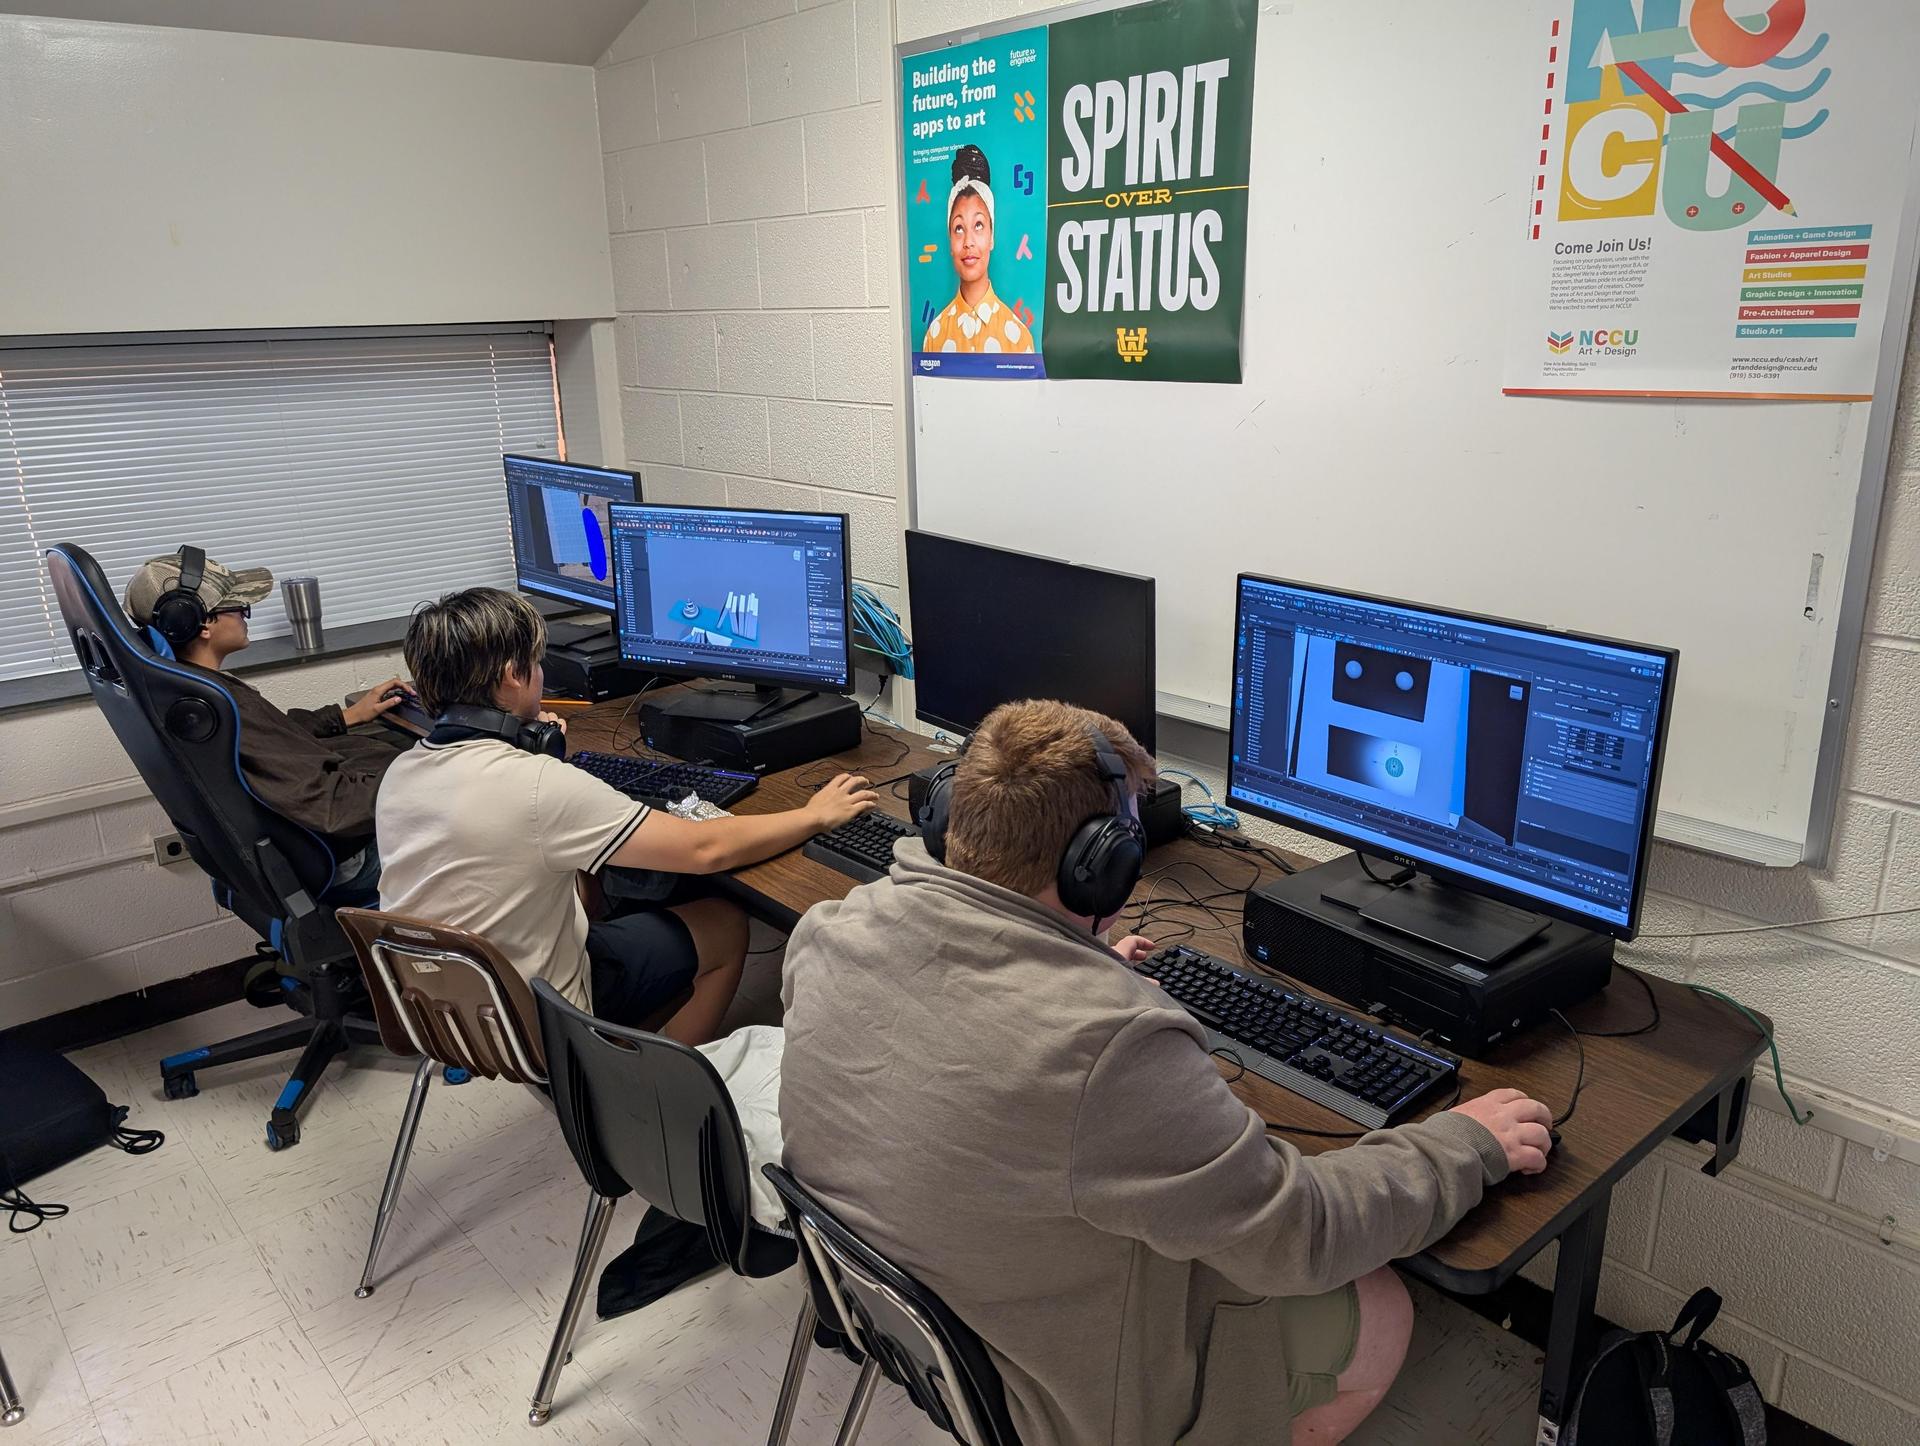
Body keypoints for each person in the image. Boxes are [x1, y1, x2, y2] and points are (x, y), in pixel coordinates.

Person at [778, 699, 1557, 1446]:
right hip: (1055, 1403)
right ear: (1099, 868)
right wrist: (1464, 1144)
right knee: (1381, 1305)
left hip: (897, 1319)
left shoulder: (829, 930)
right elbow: (1305, 1234)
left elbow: (963, 1019)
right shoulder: (1109, 1050)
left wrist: (1078, 967)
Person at [376, 588, 877, 1045]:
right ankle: (650, 1088)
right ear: (512, 675)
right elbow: (706, 849)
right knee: (724, 922)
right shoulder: (537, 787)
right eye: (537, 660)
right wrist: (813, 815)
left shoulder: (401, 772)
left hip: (440, 1009)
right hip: (535, 1018)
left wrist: (542, 764)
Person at [124, 548, 408, 900]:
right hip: (350, 860)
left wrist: (347, 716)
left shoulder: (190, 696)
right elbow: (331, 808)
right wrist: (424, 774)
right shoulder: (219, 706)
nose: (247, 617)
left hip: (301, 851)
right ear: (199, 622)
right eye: (239, 608)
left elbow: (270, 744)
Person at [922, 144, 1037, 356]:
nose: (968, 242)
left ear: (991, 237)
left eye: (978, 225)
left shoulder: (1019, 337)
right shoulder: (934, 336)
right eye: (958, 228)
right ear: (949, 241)